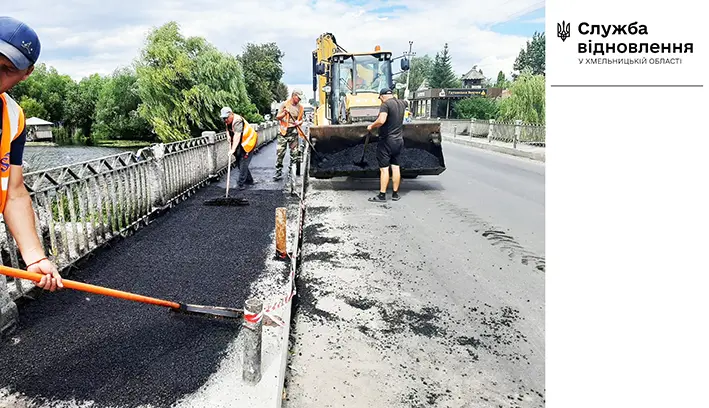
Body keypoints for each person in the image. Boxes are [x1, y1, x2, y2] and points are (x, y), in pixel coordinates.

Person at [1, 16, 62, 291]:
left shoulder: (13, 118)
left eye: (6, 68)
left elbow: (13, 192)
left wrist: (34, 255)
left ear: (26, 73)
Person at [366, 88, 408, 202]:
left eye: (380, 98)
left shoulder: (385, 105)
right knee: (395, 167)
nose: (380, 100)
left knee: (384, 170)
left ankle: (382, 195)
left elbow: (381, 120)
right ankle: (395, 194)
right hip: (399, 141)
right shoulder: (402, 103)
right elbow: (407, 102)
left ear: (382, 96)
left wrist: (372, 126)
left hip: (386, 141)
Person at [220, 107, 258, 190]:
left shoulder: (237, 121)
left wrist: (233, 149)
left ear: (231, 114)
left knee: (243, 162)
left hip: (249, 142)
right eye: (223, 118)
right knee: (239, 162)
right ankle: (249, 180)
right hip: (241, 143)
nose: (225, 120)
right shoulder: (228, 121)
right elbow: (227, 129)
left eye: (226, 118)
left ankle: (240, 184)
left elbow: (237, 135)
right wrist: (228, 137)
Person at [273, 89, 305, 180]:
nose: (299, 100)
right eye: (298, 98)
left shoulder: (300, 107)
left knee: (294, 154)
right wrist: (284, 113)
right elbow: (278, 117)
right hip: (283, 133)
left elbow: (302, 119)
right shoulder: (284, 104)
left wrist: (299, 122)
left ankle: (292, 171)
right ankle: (278, 171)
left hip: (293, 132)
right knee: (280, 153)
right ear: (294, 96)